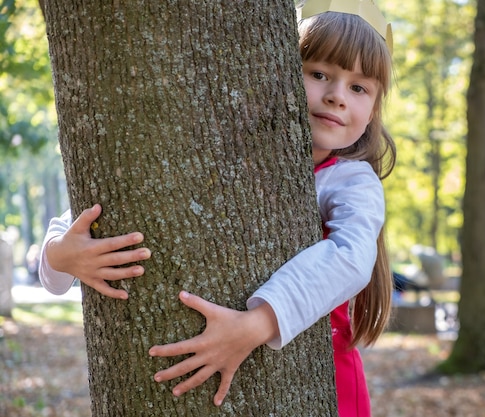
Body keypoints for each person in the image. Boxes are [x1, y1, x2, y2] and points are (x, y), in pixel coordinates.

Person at [39, 1, 395, 415]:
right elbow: (102, 211)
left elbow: (352, 256)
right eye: (319, 74)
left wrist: (255, 325)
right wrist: (60, 254)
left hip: (327, 377)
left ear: (373, 109)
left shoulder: (352, 179)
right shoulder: (232, 148)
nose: (336, 96)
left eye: (358, 88)